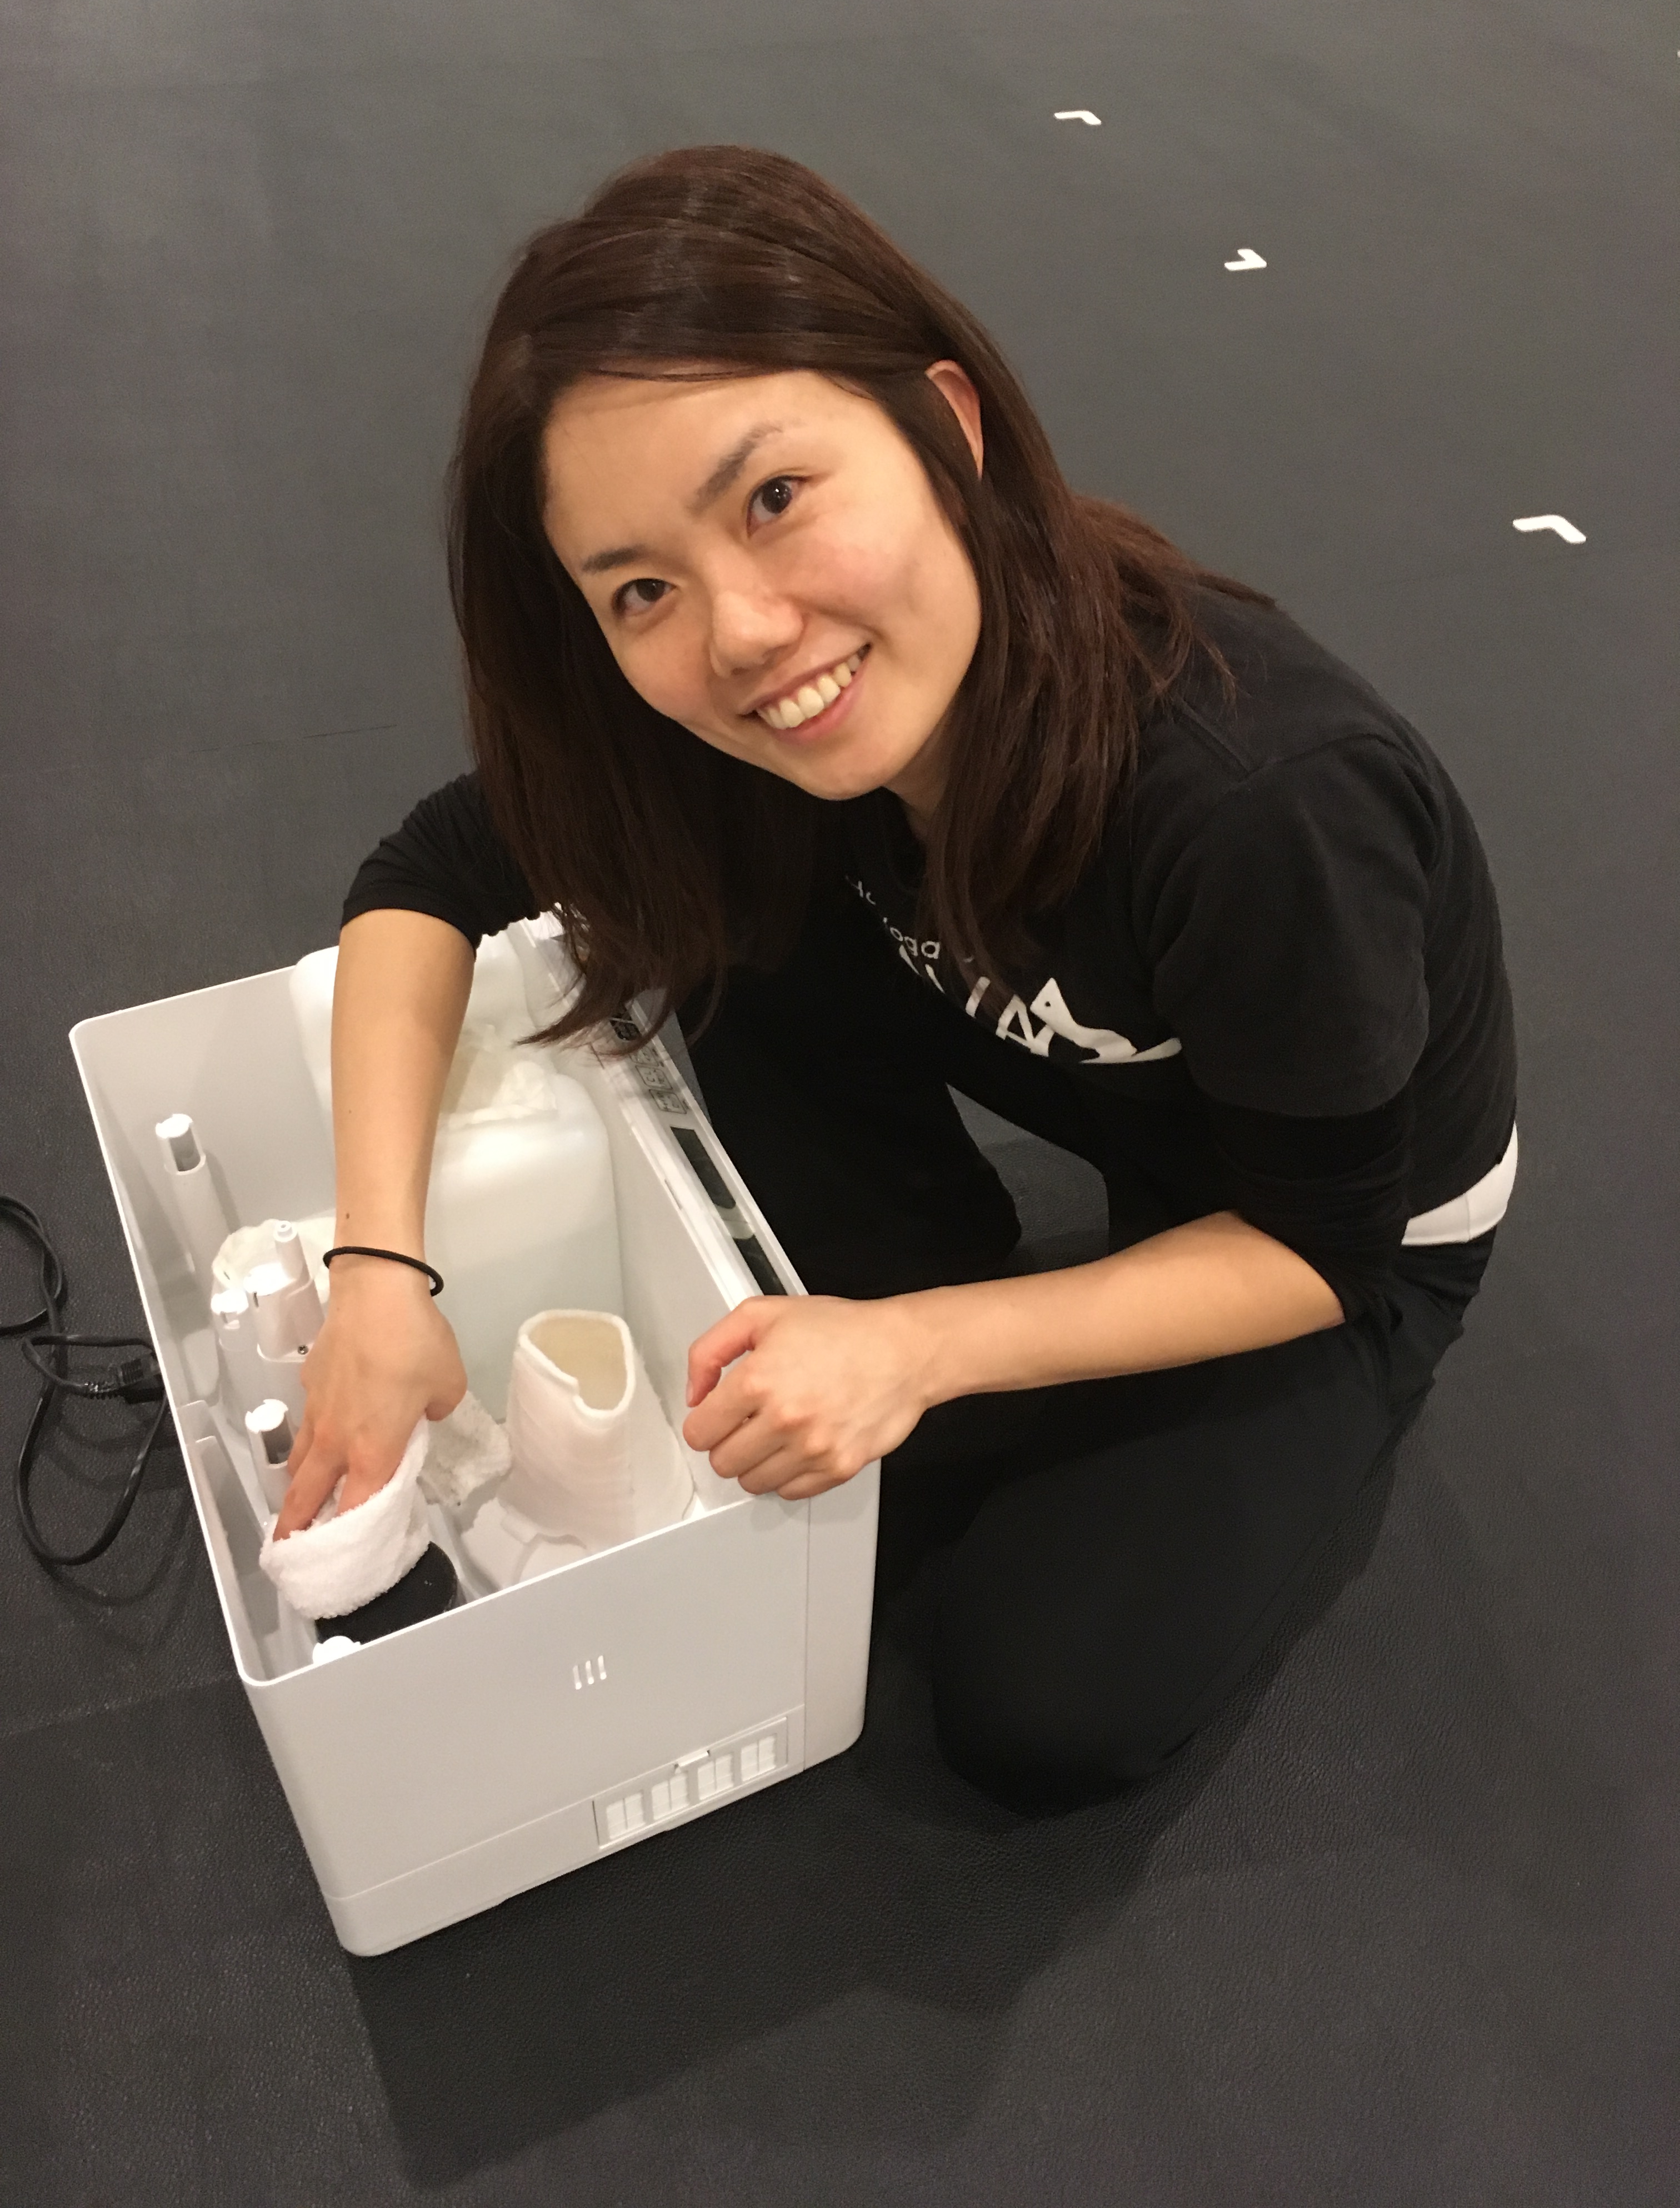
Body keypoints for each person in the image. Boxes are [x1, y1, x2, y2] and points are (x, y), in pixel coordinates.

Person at [276, 146, 1516, 1805]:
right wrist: (377, 1274)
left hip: (1331, 1228)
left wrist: (914, 1350)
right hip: (1118, 1100)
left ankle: (938, 1326)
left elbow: (1327, 1239)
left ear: (946, 424)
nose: (740, 633)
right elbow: (424, 881)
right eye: (640, 589)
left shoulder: (1258, 798)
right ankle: (923, 1277)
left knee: (1036, 1700)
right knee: (692, 888)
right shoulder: (742, 722)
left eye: (774, 498)